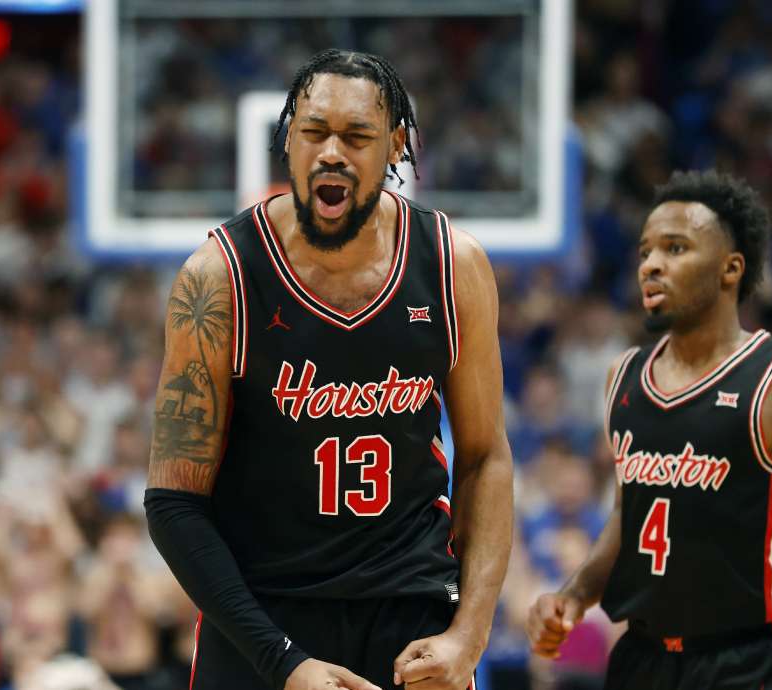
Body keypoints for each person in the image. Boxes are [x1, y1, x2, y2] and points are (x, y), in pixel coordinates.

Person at [143, 49, 513, 690]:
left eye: (357, 136)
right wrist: (282, 662)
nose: (332, 152)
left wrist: (469, 636)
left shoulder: (453, 266)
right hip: (262, 620)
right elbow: (174, 503)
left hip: (412, 616)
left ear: (396, 144)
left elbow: (485, 458)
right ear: (288, 139)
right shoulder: (219, 279)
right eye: (314, 132)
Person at [527, 171, 772, 689]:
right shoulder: (622, 376)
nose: (651, 265)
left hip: (752, 661)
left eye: (675, 248)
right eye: (646, 251)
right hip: (640, 662)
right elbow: (634, 512)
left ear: (730, 269)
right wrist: (575, 594)